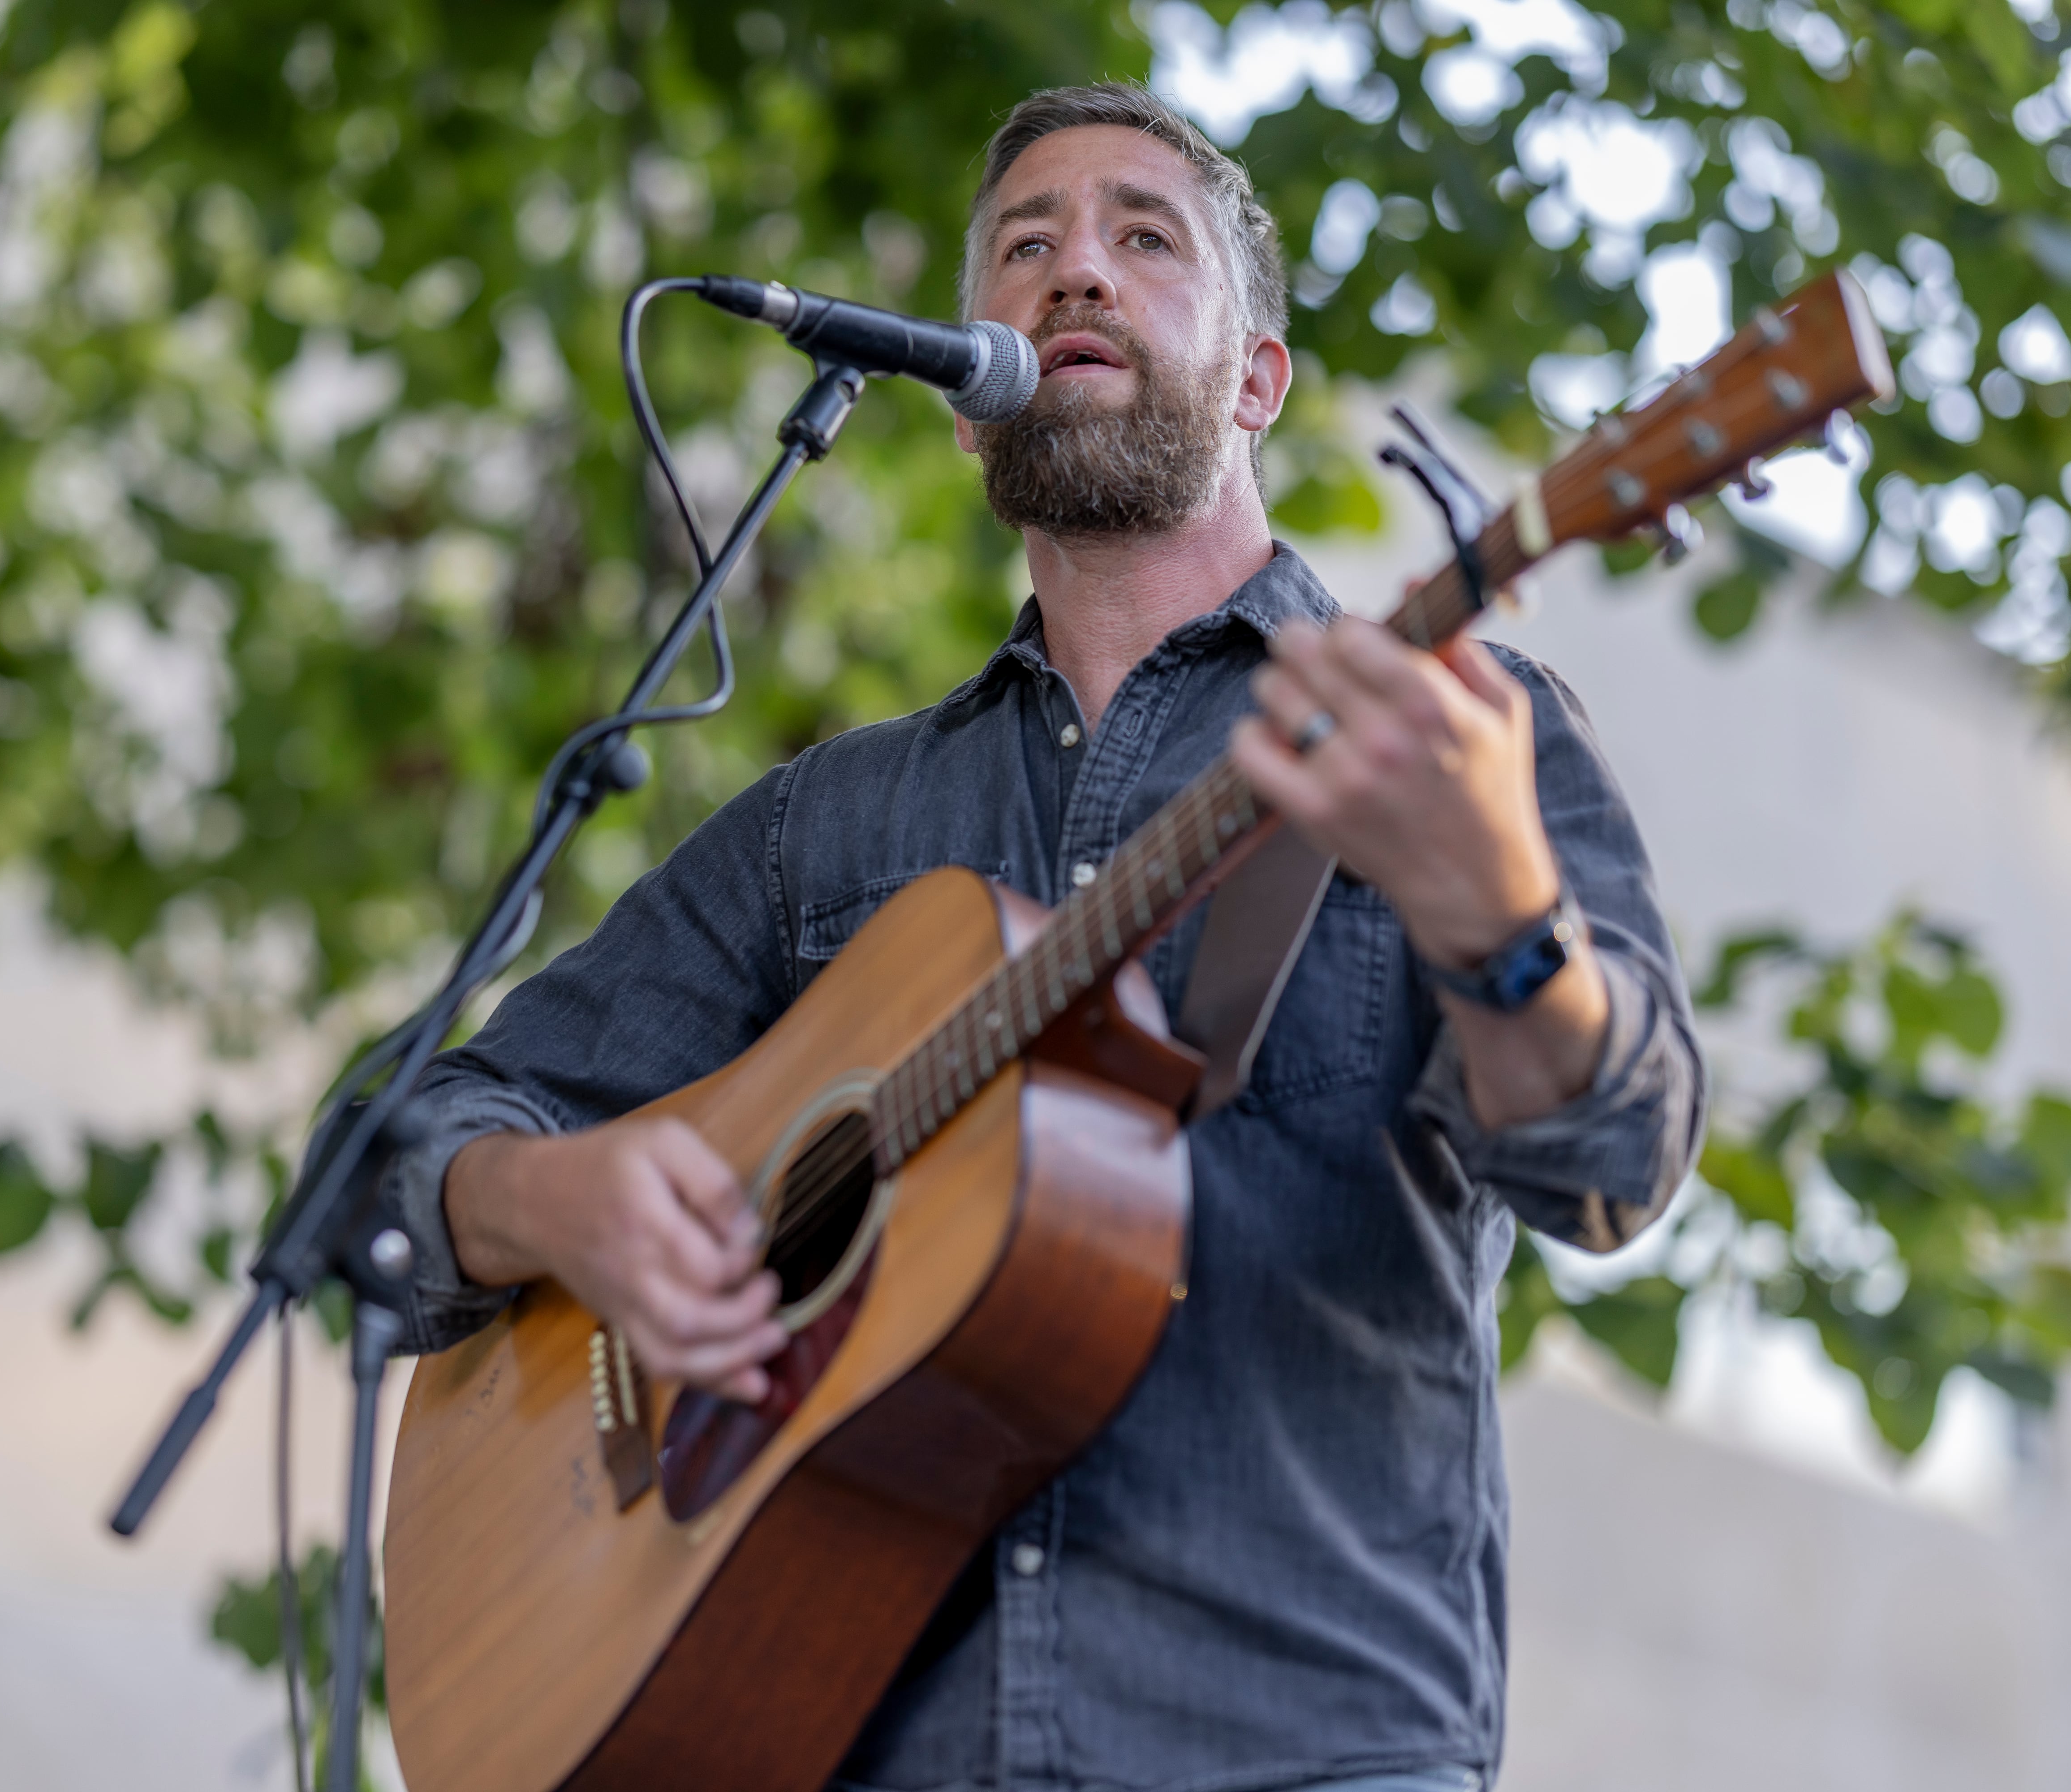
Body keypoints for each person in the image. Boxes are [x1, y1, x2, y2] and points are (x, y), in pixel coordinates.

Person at [385, 82, 1704, 1792]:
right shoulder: (825, 830)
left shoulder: (1457, 730)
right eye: (1026, 246)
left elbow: (1618, 1159)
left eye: (1143, 241)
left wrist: (1503, 916)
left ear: (1257, 380)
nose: (1073, 273)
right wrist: (549, 1197)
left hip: (1295, 1741)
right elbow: (384, 1157)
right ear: (959, 400)